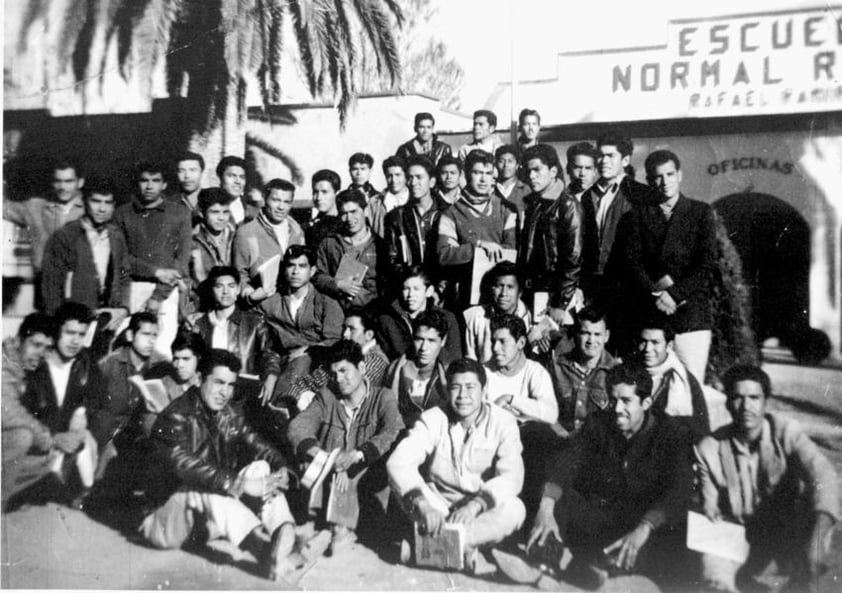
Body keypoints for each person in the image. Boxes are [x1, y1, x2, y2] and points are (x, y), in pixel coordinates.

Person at [526, 364, 694, 590]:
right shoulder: (598, 423)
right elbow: (567, 462)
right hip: (600, 515)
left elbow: (679, 488)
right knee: (558, 497)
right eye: (613, 400)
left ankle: (598, 569)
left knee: (676, 526)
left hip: (639, 523)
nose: (616, 409)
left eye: (626, 401)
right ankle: (547, 562)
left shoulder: (670, 433)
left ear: (646, 403)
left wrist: (645, 526)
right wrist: (546, 507)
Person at [140, 349, 298, 581]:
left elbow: (258, 444)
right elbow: (188, 466)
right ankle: (264, 550)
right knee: (203, 486)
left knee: (262, 468)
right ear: (199, 378)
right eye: (218, 383)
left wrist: (282, 468)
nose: (225, 392)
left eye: (231, 385)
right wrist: (241, 484)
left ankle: (283, 533)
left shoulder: (230, 412)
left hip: (206, 521)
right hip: (165, 521)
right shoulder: (174, 416)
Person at [695, 365, 838, 593]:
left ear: (765, 402)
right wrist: (709, 510)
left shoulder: (786, 433)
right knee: (714, 561)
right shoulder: (709, 448)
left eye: (754, 398)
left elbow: (823, 475)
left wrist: (820, 534)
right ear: (728, 403)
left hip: (786, 530)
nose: (746, 407)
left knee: (814, 516)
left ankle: (802, 580)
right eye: (738, 398)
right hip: (740, 535)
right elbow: (709, 507)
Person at [387, 357, 525, 573]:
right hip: (437, 508)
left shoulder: (503, 422)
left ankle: (425, 550)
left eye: (470, 388)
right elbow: (399, 462)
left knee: (515, 509)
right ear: (447, 390)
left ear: (483, 390)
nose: (463, 396)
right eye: (455, 388)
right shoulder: (432, 418)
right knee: (401, 483)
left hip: (477, 510)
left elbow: (512, 476)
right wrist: (424, 505)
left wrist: (476, 505)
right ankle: (466, 549)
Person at [287, 340, 403, 555]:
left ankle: (338, 526)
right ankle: (329, 525)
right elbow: (299, 426)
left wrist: (356, 455)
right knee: (309, 464)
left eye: (344, 371)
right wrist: (327, 457)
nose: (339, 379)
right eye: (334, 373)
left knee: (360, 475)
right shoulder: (327, 397)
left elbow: (392, 431)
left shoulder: (382, 397)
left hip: (364, 475)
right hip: (332, 472)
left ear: (361, 368)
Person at [622, 149, 716, 382]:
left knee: (690, 387)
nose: (665, 182)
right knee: (651, 385)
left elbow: (706, 264)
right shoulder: (637, 217)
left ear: (680, 175)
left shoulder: (700, 213)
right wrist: (656, 294)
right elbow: (633, 263)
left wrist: (674, 294)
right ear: (649, 181)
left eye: (670, 174)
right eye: (657, 176)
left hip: (690, 316)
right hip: (653, 315)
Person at [20, 303, 102, 507]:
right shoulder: (35, 365)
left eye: (81, 334)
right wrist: (54, 438)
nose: (75, 341)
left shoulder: (86, 365)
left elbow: (99, 401)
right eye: (70, 332)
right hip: (40, 445)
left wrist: (84, 412)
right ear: (57, 331)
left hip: (72, 447)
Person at [113, 160, 192, 357]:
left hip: (166, 293)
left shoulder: (180, 213)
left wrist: (158, 296)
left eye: (155, 181)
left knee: (159, 353)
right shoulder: (122, 213)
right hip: (130, 290)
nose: (149, 186)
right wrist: (155, 271)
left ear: (164, 184)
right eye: (144, 180)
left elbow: (181, 261)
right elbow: (119, 259)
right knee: (124, 352)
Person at [41, 178, 131, 326]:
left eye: (108, 203)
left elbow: (124, 276)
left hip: (107, 320)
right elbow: (51, 287)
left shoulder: (116, 236)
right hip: (74, 321)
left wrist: (124, 309)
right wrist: (59, 323)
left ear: (114, 206)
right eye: (96, 201)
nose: (102, 209)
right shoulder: (65, 236)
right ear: (84, 201)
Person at [259, 246, 343, 403]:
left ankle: (281, 404)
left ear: (312, 271)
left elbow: (335, 342)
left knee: (302, 361)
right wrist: (271, 373)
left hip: (317, 365)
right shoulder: (271, 303)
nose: (295, 272)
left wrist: (308, 350)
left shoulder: (326, 303)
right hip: (282, 362)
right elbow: (264, 341)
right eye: (291, 266)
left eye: (302, 266)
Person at [91, 312, 164, 491]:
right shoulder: (111, 363)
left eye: (154, 335)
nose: (150, 341)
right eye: (145, 334)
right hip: (108, 430)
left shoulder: (160, 364)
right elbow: (92, 401)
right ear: (131, 335)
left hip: (138, 432)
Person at [580, 131, 653, 311]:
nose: (604, 161)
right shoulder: (588, 196)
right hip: (593, 284)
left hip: (628, 284)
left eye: (611, 156)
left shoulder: (640, 194)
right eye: (600, 156)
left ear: (625, 160)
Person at [437, 150, 518, 309]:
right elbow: (444, 255)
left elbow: (511, 250)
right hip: (465, 298)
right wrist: (477, 247)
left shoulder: (505, 209)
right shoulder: (451, 213)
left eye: (488, 173)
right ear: (466, 174)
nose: (483, 179)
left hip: (500, 299)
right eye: (477, 173)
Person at [519, 144, 583, 322]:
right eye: (528, 170)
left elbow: (573, 257)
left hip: (553, 294)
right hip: (533, 290)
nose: (531, 176)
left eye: (537, 170)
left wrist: (560, 302)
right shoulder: (534, 203)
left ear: (553, 171)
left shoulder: (567, 205)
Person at [2, 313, 56, 505]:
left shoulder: (26, 365)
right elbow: (7, 412)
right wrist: (43, 436)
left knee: (48, 458)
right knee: (22, 436)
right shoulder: (4, 363)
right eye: (35, 344)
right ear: (18, 341)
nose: (41, 353)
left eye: (47, 347)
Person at [189, 266, 274, 379]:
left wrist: (271, 375)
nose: (226, 292)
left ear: (238, 289)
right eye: (219, 286)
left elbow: (269, 355)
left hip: (241, 387)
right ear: (211, 290)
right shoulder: (200, 324)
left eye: (231, 286)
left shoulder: (255, 322)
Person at [3, 158, 86, 273]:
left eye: (69, 181)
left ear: (80, 182)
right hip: (43, 280)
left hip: (78, 282)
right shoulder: (36, 207)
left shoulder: (92, 210)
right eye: (58, 181)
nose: (62, 187)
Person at [233, 178, 305, 306]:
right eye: (276, 200)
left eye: (287, 202)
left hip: (292, 305)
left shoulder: (297, 231)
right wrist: (250, 295)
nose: (281, 207)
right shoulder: (246, 233)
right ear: (265, 199)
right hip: (261, 307)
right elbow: (239, 273)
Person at [313, 190, 389, 310]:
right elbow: (317, 276)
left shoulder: (381, 246)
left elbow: (387, 285)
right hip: (337, 311)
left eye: (354, 211)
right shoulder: (330, 243)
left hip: (372, 311)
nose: (349, 218)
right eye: (344, 213)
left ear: (365, 211)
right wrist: (337, 284)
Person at [548, 307, 618, 435]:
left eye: (597, 334)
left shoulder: (616, 371)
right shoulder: (556, 366)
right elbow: (544, 408)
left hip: (599, 446)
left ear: (606, 336)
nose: (591, 341)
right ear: (575, 333)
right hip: (561, 442)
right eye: (585, 333)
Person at [637, 319, 710, 440]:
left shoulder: (684, 380)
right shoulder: (627, 372)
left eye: (655, 342)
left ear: (669, 345)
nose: (648, 349)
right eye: (643, 342)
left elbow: (701, 429)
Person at [377, 265, 462, 365]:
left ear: (429, 291)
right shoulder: (387, 320)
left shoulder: (446, 318)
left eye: (416, 289)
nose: (410, 295)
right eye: (406, 289)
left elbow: (453, 358)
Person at [485, 314, 557, 424]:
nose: (495, 348)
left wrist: (510, 399)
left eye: (502, 341)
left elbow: (551, 414)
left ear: (521, 343)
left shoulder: (536, 372)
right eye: (493, 341)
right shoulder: (483, 372)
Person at [383, 310, 450, 428]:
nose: (424, 348)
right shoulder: (395, 369)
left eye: (431, 341)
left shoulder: (450, 373)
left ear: (443, 341)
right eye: (419, 339)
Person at [384, 156, 448, 277]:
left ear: (432, 181)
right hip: (409, 288)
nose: (413, 183)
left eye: (419, 177)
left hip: (442, 288)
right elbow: (392, 260)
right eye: (410, 178)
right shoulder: (395, 217)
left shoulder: (449, 213)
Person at [463, 261, 533, 364]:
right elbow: (470, 359)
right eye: (499, 286)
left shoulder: (526, 317)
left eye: (510, 287)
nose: (503, 294)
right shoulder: (475, 317)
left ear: (520, 293)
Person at [142, 332, 207, 435]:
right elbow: (148, 426)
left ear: (198, 358)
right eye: (176, 359)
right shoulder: (164, 385)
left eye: (186, 359)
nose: (179, 365)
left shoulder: (207, 384)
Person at [188, 188, 235, 311]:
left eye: (225, 212)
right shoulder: (192, 240)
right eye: (215, 212)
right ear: (202, 213)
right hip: (201, 306)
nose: (221, 218)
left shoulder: (236, 237)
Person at [306, 169, 344, 247]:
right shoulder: (310, 227)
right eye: (315, 192)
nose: (318, 197)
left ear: (337, 193)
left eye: (324, 192)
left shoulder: (346, 223)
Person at [494, 145, 531, 215]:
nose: (506, 165)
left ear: (517, 165)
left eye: (510, 161)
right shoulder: (491, 189)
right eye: (501, 161)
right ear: (496, 164)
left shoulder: (526, 190)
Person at [370, 155, 409, 222]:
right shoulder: (374, 202)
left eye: (398, 175)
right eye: (389, 176)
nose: (393, 180)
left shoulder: (415, 199)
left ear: (405, 176)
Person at [215, 155, 252, 224]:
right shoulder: (208, 207)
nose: (238, 181)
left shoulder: (253, 211)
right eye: (232, 176)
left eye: (242, 177)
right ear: (219, 178)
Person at [173, 151, 205, 225]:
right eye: (181, 171)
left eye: (192, 170)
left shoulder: (214, 198)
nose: (187, 176)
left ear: (201, 172)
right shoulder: (169, 203)